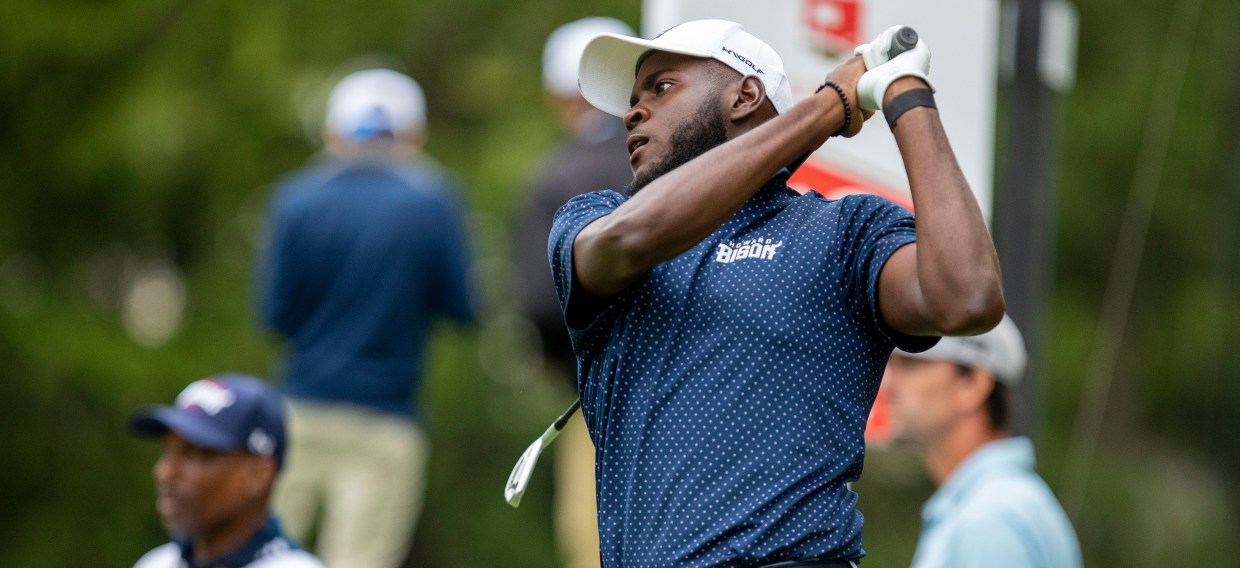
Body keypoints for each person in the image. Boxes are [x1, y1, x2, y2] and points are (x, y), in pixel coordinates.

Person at [551, 20, 1005, 567]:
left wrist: (906, 95)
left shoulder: (846, 232)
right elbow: (629, 238)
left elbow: (969, 298)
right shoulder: (597, 219)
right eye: (631, 99)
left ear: (745, 95)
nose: (632, 112)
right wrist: (826, 108)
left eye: (662, 87)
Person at [256, 68, 477, 568]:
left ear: (335, 134)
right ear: (412, 136)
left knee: (262, 556)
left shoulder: (295, 200)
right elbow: (462, 309)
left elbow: (273, 316)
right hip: (386, 420)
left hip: (298, 412)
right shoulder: (432, 201)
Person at [515, 17, 635, 568]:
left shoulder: (555, 174)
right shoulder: (687, 155)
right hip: (696, 386)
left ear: (556, 94)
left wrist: (563, 367)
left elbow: (540, 303)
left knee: (593, 544)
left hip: (597, 397)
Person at [884, 316, 1083, 567]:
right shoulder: (991, 507)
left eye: (912, 365)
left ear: (973, 384)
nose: (889, 386)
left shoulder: (992, 519)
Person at [130, 373, 324, 568]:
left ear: (258, 474)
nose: (165, 472)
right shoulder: (157, 563)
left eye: (195, 454)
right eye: (168, 450)